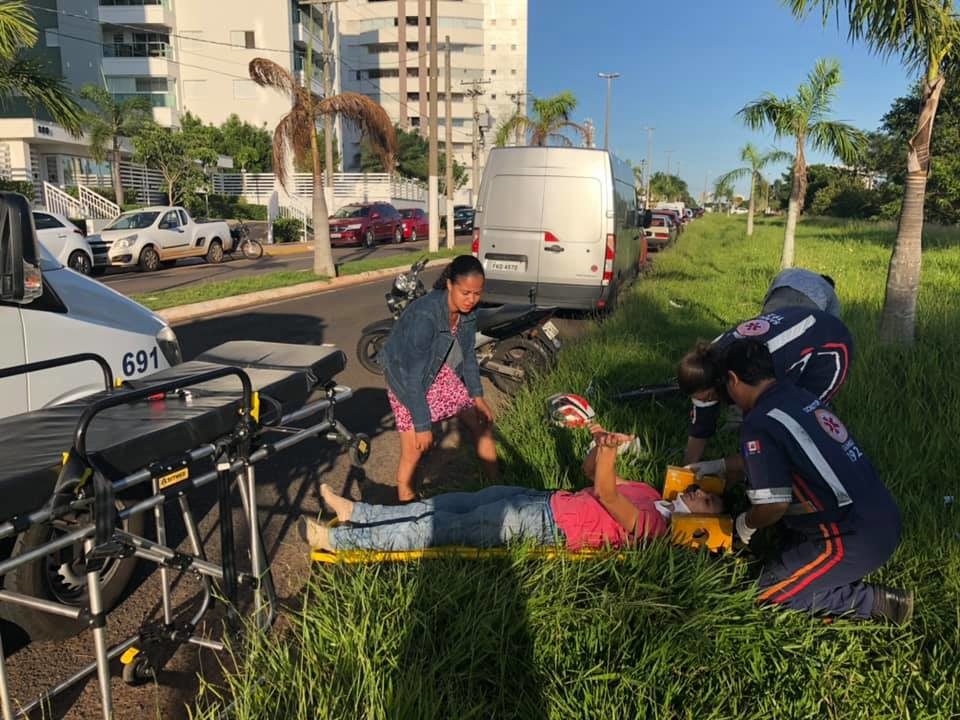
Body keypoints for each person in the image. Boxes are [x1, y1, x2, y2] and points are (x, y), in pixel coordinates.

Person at [689, 338, 912, 623]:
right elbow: (777, 455)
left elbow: (774, 507)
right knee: (781, 551)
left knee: (767, 593)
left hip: (850, 536)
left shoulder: (758, 423)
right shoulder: (797, 396)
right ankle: (802, 553)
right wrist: (720, 466)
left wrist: (746, 524)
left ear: (732, 379)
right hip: (880, 513)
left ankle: (878, 602)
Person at [298, 427, 725, 553]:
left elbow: (610, 497)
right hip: (546, 500)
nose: (697, 493)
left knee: (440, 527)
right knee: (445, 503)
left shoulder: (656, 528)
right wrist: (599, 444)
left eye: (705, 499)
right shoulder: (652, 493)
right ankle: (358, 512)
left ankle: (338, 539)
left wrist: (611, 451)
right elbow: (590, 473)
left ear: (703, 522)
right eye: (703, 492)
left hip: (546, 528)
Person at [379, 255, 497, 502]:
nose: (471, 300)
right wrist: (423, 426)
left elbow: (467, 356)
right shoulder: (425, 316)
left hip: (436, 369)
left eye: (477, 293)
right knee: (414, 450)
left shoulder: (468, 312)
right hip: (404, 375)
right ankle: (407, 506)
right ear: (450, 285)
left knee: (481, 423)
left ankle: (498, 492)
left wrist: (477, 397)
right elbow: (413, 378)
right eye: (466, 292)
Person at [678, 305, 854, 464]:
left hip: (827, 341)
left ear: (729, 379)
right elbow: (701, 425)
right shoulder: (704, 364)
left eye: (709, 397)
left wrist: (730, 466)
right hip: (793, 322)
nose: (707, 401)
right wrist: (687, 469)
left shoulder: (755, 365)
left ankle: (820, 467)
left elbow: (761, 418)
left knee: (804, 417)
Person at [762, 268, 841, 318]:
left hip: (782, 291)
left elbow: (767, 297)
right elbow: (832, 322)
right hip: (810, 304)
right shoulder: (830, 291)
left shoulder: (798, 272)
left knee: (765, 327)